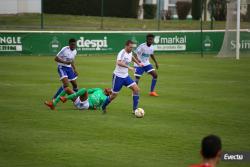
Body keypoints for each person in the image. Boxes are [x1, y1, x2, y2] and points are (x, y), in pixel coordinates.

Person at [101, 40, 143, 113]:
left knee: (136, 89)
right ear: (126, 46)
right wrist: (129, 67)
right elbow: (118, 62)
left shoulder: (130, 52)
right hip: (118, 77)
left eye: (132, 47)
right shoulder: (122, 52)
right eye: (130, 47)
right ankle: (103, 106)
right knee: (113, 96)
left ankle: (135, 110)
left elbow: (132, 57)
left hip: (126, 76)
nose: (131, 49)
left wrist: (138, 63)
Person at [44, 87, 111, 110]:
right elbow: (88, 91)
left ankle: (66, 99)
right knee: (67, 89)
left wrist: (94, 107)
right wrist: (79, 93)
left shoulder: (105, 98)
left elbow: (100, 107)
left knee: (84, 90)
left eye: (111, 90)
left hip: (86, 104)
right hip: (81, 100)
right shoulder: (98, 89)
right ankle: (53, 104)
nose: (109, 88)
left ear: (109, 93)